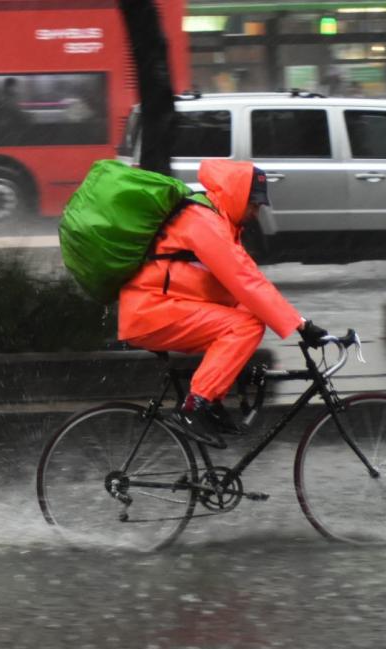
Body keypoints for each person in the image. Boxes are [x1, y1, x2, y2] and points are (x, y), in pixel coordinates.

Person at [117, 159, 328, 447]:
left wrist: (297, 320)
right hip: (151, 311)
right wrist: (300, 325)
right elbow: (245, 281)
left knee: (246, 315)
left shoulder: (219, 220)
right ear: (237, 195)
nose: (256, 211)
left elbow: (248, 282)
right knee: (245, 326)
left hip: (162, 307)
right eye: (253, 204)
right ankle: (195, 406)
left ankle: (210, 400)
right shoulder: (204, 221)